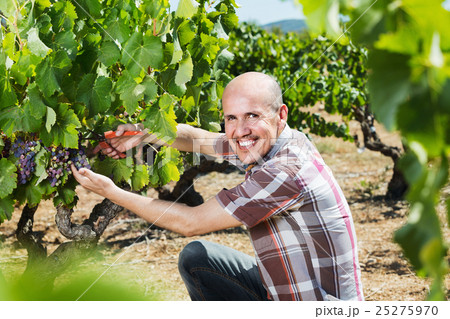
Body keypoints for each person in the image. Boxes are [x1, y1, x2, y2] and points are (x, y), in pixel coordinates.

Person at [71, 72, 364, 301]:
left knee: (195, 248)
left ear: (281, 114)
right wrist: (144, 134)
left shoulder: (285, 171)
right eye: (231, 118)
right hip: (282, 294)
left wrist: (111, 192)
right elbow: (197, 138)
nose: (240, 129)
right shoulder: (275, 140)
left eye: (252, 115)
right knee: (198, 259)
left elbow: (191, 222)